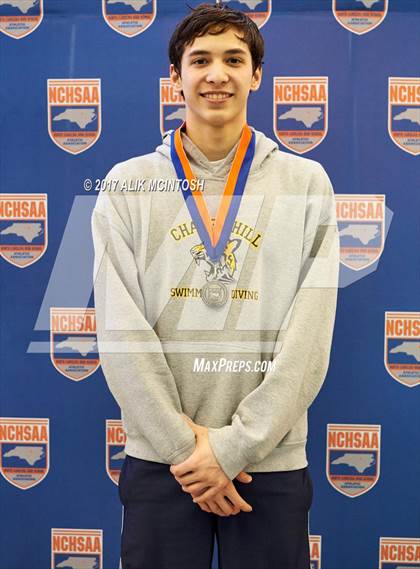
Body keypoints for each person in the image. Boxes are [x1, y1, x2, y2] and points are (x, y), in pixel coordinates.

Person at [91, 3, 339, 568]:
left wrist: (232, 448)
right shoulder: (127, 185)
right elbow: (120, 331)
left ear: (256, 74)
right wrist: (190, 451)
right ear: (174, 77)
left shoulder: (306, 183)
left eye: (234, 59)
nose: (216, 74)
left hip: (268, 461)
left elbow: (309, 337)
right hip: (163, 463)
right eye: (199, 59)